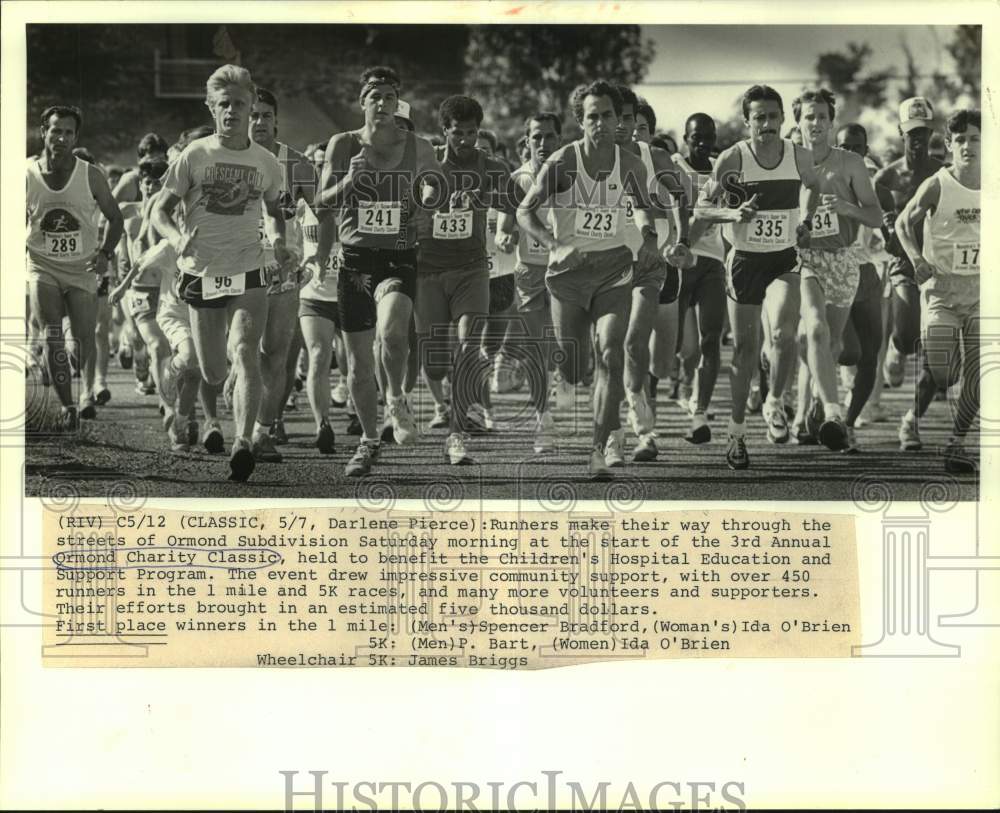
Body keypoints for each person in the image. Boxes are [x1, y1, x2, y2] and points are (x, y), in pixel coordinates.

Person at [517, 80, 682, 480]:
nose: (603, 123)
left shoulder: (630, 164)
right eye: (593, 116)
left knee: (611, 354)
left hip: (613, 269)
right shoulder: (564, 162)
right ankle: (570, 379)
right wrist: (554, 245)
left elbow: (643, 208)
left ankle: (600, 446)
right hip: (568, 275)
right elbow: (525, 211)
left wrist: (646, 238)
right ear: (580, 121)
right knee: (576, 368)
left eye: (608, 115)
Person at [151, 64, 293, 482]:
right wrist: (178, 241)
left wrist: (280, 241)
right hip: (201, 272)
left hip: (249, 267)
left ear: (253, 108)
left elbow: (275, 211)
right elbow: (158, 211)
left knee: (248, 349)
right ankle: (222, 380)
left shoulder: (266, 161)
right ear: (211, 109)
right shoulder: (194, 156)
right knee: (213, 370)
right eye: (224, 104)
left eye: (240, 104)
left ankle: (243, 443)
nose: (232, 111)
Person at [314, 66, 440, 477]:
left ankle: (398, 399)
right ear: (362, 102)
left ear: (397, 102)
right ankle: (368, 441)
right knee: (356, 366)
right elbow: (322, 204)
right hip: (355, 261)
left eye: (390, 96)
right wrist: (350, 182)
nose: (382, 104)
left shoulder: (418, 147)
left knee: (392, 333)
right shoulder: (342, 144)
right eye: (375, 97)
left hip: (399, 255)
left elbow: (437, 188)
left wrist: (429, 197)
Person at [687, 84, 821, 470]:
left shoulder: (798, 155)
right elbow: (702, 209)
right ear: (747, 123)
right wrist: (734, 215)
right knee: (746, 351)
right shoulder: (733, 159)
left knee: (783, 333)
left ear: (782, 119)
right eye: (759, 117)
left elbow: (812, 186)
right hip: (744, 260)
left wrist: (807, 221)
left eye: (773, 116)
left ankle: (775, 401)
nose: (767, 124)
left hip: (783, 258)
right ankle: (736, 433)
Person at [414, 94, 515, 464]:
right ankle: (443, 404)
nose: (466, 140)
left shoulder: (492, 166)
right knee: (436, 363)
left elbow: (512, 206)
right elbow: (406, 207)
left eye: (472, 132)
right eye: (458, 133)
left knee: (469, 347)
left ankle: (457, 435)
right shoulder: (425, 165)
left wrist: (500, 220)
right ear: (445, 132)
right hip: (428, 271)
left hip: (472, 269)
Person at [791, 89, 882, 452]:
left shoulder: (850, 164)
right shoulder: (786, 162)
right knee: (814, 329)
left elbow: (874, 215)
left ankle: (816, 401)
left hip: (843, 260)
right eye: (809, 117)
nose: (816, 123)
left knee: (830, 344)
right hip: (803, 259)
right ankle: (832, 413)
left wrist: (848, 208)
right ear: (797, 122)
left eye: (822, 117)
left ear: (831, 121)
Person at [26, 105, 124, 429]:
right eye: (56, 130)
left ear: (75, 137)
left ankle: (68, 366)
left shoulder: (91, 174)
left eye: (69, 132)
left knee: (81, 345)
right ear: (44, 132)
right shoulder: (25, 174)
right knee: (53, 336)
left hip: (82, 269)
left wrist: (105, 254)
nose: (62, 138)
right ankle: (68, 407)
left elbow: (115, 218)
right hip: (42, 265)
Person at [894, 109, 980, 472]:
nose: (967, 146)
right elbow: (902, 222)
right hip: (941, 291)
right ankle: (911, 418)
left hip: (982, 291)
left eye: (975, 139)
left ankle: (956, 443)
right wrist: (916, 260)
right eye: (959, 140)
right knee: (945, 375)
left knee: (979, 377)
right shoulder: (937, 185)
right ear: (948, 145)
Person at [617, 89, 691, 463]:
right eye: (625, 122)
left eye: (638, 126)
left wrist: (680, 238)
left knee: (658, 361)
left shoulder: (658, 158)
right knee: (630, 344)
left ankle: (652, 390)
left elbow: (681, 199)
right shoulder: (594, 159)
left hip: (658, 260)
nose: (631, 132)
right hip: (616, 266)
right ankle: (643, 431)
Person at [243, 87, 316, 462]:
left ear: (276, 120)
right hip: (237, 268)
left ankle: (261, 432)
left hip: (285, 270)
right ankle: (245, 414)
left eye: (264, 115)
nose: (258, 122)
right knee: (243, 354)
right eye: (252, 115)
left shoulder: (299, 165)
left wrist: (314, 254)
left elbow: (323, 213)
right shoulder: (226, 159)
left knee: (277, 354)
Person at [497, 111, 563, 454]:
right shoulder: (517, 179)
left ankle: (560, 380)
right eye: (536, 137)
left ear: (559, 139)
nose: (542, 143)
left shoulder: (574, 174)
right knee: (539, 348)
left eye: (549, 136)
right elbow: (503, 228)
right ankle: (544, 422)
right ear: (527, 141)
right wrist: (504, 238)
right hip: (530, 273)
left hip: (570, 271)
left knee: (565, 346)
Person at [874, 97, 943, 389]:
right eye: (912, 131)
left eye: (923, 131)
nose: (918, 138)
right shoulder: (885, 178)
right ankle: (897, 347)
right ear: (901, 132)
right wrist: (886, 232)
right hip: (904, 261)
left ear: (931, 133)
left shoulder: (944, 173)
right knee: (907, 332)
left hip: (939, 260)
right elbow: (876, 211)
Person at [671, 112, 728, 445]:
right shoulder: (674, 167)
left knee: (711, 338)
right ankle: (658, 390)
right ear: (685, 138)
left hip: (711, 262)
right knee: (676, 345)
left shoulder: (724, 168)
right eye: (697, 138)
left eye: (709, 137)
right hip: (679, 262)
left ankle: (700, 413)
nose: (703, 143)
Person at [112, 132, 169, 203]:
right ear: (140, 161)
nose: (156, 165)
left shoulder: (169, 177)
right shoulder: (131, 181)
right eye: (152, 160)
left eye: (160, 159)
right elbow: (108, 211)